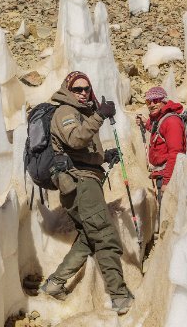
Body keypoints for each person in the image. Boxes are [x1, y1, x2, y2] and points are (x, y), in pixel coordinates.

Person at [40, 71, 134, 315]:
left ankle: (55, 283)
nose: (83, 92)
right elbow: (75, 140)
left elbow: (81, 153)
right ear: (68, 90)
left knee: (87, 238)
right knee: (104, 236)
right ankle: (119, 295)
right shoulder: (65, 112)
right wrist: (100, 116)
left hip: (81, 182)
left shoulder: (79, 113)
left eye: (86, 88)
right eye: (77, 89)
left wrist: (103, 157)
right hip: (80, 185)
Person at [135, 86, 186, 192]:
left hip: (170, 178)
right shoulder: (162, 119)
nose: (152, 104)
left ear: (164, 101)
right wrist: (146, 123)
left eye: (155, 100)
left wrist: (167, 182)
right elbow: (158, 131)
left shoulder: (172, 122)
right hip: (162, 175)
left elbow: (176, 153)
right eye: (149, 102)